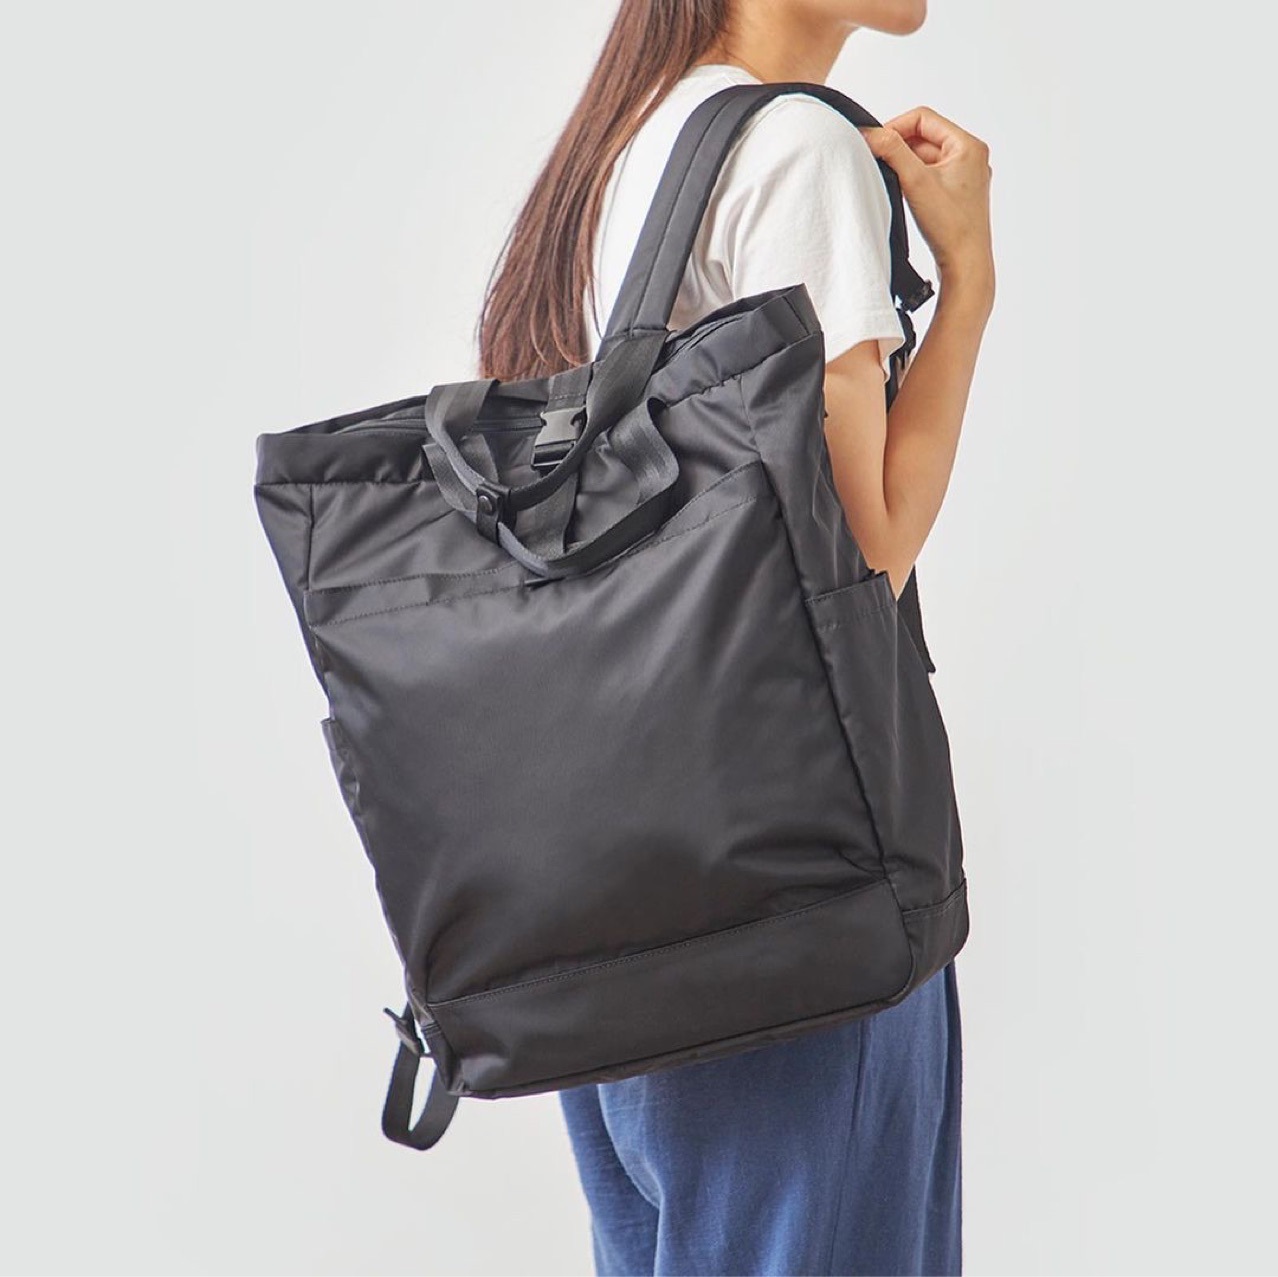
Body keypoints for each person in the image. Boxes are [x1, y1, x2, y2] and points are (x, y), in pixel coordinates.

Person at [478, 2, 994, 1273]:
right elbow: (863, 558)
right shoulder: (798, 153)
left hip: (615, 909)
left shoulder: (625, 144)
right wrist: (969, 282)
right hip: (794, 908)